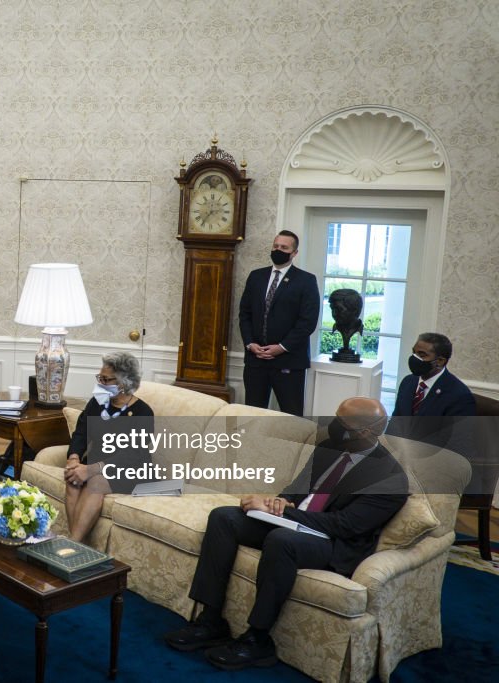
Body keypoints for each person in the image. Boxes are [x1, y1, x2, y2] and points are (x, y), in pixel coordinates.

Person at [163, 397, 408, 671]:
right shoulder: (330, 447)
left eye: (342, 422)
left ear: (368, 431)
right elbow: (296, 489)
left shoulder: (390, 478)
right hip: (294, 521)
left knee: (281, 541)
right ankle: (210, 621)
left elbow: (344, 525)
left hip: (333, 543)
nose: (333, 425)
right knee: (224, 518)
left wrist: (283, 514)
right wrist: (277, 503)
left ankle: (257, 639)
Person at [63, 352, 154, 541]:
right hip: (96, 464)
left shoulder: (143, 413)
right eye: (100, 378)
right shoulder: (98, 402)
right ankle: (76, 544)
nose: (100, 383)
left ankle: (71, 546)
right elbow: (81, 432)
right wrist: (74, 458)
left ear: (123, 383)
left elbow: (134, 455)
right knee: (72, 479)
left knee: (96, 483)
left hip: (130, 471)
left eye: (105, 380)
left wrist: (91, 470)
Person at [238, 230, 321, 416]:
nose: (278, 250)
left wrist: (282, 347)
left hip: (289, 361)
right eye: (276, 246)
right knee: (251, 415)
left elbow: (307, 322)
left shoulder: (306, 281)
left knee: (291, 416)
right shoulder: (256, 276)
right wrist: (250, 343)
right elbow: (245, 314)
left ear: (294, 253)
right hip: (256, 360)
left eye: (284, 247)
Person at [328, 288, 363, 357]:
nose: (334, 314)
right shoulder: (338, 324)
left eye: (339, 309)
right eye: (332, 308)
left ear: (354, 310)